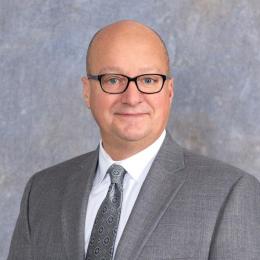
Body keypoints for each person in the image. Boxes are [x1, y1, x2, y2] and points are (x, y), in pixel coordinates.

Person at [8, 20, 260, 260]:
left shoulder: (230, 193)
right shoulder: (42, 191)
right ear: (87, 91)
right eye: (114, 80)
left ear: (169, 91)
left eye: (148, 80)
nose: (132, 97)